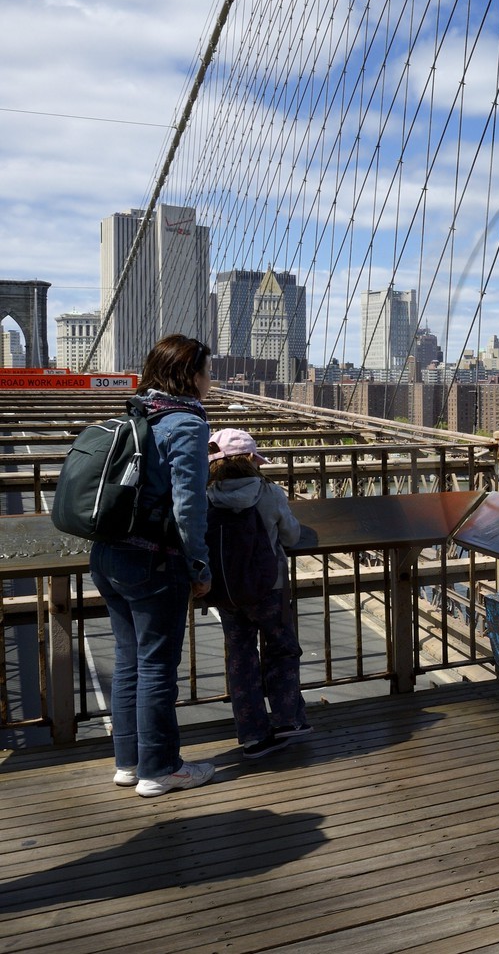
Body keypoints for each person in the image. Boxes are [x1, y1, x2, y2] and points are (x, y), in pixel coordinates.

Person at [91, 334, 217, 797]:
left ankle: (129, 763)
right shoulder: (186, 424)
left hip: (108, 554)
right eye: (206, 370)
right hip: (152, 561)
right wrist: (199, 566)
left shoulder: (135, 413)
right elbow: (189, 508)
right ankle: (160, 769)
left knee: (129, 662)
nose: (211, 379)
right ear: (189, 375)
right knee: (158, 666)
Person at [206, 427, 312, 758]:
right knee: (281, 649)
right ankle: (286, 721)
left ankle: (252, 734)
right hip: (270, 588)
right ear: (252, 459)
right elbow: (292, 536)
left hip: (226, 590)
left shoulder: (204, 494)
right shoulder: (268, 492)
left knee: (240, 657)